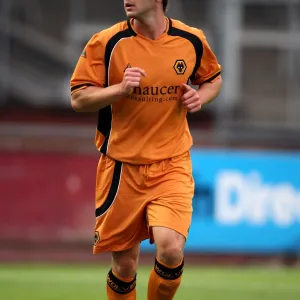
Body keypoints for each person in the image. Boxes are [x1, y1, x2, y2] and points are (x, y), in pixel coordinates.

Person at [70, 0, 222, 299]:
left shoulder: (192, 39)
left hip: (171, 163)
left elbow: (213, 79)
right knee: (125, 265)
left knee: (170, 248)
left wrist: (200, 97)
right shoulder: (107, 42)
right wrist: (120, 90)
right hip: (121, 167)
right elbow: (78, 98)